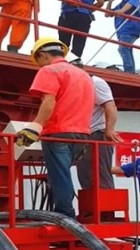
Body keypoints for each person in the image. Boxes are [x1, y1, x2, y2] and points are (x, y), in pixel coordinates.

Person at [16, 37, 94, 218]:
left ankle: (65, 216)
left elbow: (49, 102)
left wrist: (36, 126)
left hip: (58, 132)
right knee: (63, 173)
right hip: (82, 135)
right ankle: (66, 212)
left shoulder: (49, 71)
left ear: (42, 55)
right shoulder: (83, 75)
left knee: (59, 176)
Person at [70, 60, 121, 194]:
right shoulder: (74, 84)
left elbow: (110, 106)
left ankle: (104, 213)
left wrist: (109, 130)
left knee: (99, 175)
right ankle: (90, 211)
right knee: (85, 175)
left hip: (97, 133)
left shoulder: (95, 82)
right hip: (82, 135)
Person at [105, 0, 140, 73]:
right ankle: (131, 71)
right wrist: (110, 2)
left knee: (123, 48)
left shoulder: (133, 1)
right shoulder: (120, 4)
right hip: (122, 31)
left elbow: (124, 9)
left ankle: (129, 71)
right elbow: (107, 14)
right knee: (127, 49)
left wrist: (121, 11)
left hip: (130, 29)